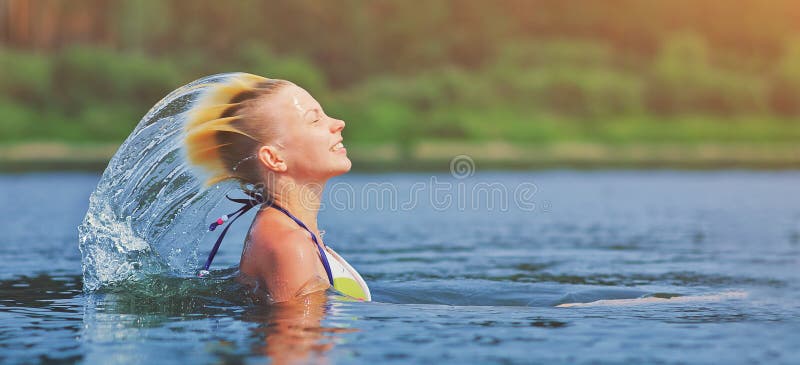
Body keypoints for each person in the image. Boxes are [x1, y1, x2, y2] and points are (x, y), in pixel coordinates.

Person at [184, 73, 363, 303]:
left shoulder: (291, 232)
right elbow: (296, 337)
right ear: (274, 158)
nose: (339, 123)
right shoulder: (290, 245)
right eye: (314, 120)